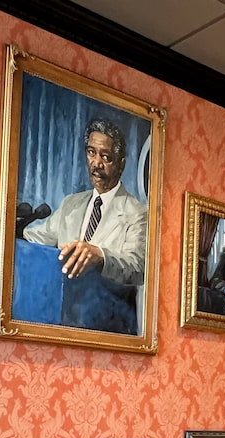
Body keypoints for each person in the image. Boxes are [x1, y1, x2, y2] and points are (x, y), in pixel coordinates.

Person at [22, 117, 147, 333]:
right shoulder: (71, 204)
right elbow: (35, 239)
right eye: (91, 153)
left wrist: (100, 256)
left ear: (121, 164)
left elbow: (137, 267)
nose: (96, 163)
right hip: (62, 322)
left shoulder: (137, 213)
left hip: (109, 327)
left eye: (105, 157)